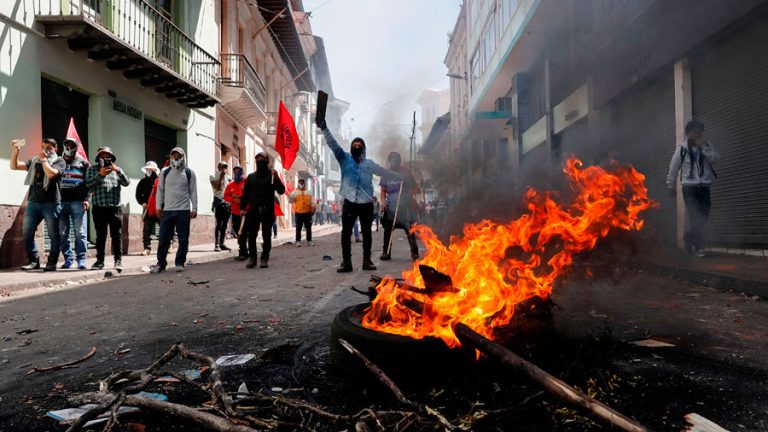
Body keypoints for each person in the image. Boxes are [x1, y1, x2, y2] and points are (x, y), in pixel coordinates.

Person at [315, 117, 402, 272]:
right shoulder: (344, 158)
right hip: (349, 202)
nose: (356, 147)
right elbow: (333, 144)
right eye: (354, 145)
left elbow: (382, 171)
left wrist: (397, 176)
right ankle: (346, 262)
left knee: (367, 234)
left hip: (366, 204)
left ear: (363, 148)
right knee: (346, 233)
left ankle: (367, 261)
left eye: (359, 145)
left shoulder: (369, 164)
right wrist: (324, 128)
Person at [666, 120, 720, 258]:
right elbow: (673, 167)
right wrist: (670, 184)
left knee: (704, 217)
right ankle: (699, 247)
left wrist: (705, 148)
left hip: (704, 187)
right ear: (688, 133)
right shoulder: (682, 148)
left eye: (699, 132)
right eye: (695, 132)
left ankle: (689, 238)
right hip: (690, 188)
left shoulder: (707, 145)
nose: (698, 134)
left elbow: (715, 159)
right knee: (696, 216)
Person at [10, 138, 66, 271]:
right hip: (34, 202)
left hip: (51, 203)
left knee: (53, 234)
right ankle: (33, 260)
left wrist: (44, 160)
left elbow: (51, 174)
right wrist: (15, 151)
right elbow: (14, 166)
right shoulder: (35, 160)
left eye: (49, 147)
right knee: (27, 232)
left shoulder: (60, 161)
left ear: (55, 148)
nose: (45, 150)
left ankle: (51, 263)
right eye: (43, 147)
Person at [152, 147, 198, 273]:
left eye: (178, 156)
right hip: (167, 211)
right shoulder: (164, 172)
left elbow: (193, 191)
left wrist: (194, 207)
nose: (176, 158)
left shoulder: (189, 173)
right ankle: (161, 264)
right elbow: (160, 190)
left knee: (183, 239)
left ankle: (179, 263)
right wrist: (158, 206)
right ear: (170, 158)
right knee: (163, 239)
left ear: (183, 157)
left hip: (183, 211)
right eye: (173, 156)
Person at [85, 147, 130, 271]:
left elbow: (127, 183)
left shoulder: (117, 170)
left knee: (117, 235)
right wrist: (100, 175)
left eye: (107, 155)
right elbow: (88, 185)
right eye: (102, 155)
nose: (105, 157)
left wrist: (118, 171)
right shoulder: (92, 169)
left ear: (112, 158)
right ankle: (100, 261)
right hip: (99, 208)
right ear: (98, 157)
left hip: (115, 208)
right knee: (101, 236)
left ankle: (118, 260)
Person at [240, 152, 285, 268]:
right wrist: (242, 208)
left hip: (267, 210)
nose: (260, 160)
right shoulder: (251, 177)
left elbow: (281, 191)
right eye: (257, 158)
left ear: (267, 161)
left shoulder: (272, 175)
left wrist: (276, 179)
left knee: (266, 235)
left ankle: (264, 258)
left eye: (262, 158)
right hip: (253, 210)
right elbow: (245, 194)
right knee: (251, 235)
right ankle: (252, 258)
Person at [380, 151, 420, 261]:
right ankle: (386, 252)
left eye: (396, 159)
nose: (394, 161)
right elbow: (383, 191)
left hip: (404, 207)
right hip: (390, 207)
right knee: (388, 230)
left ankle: (414, 252)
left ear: (399, 161)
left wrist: (406, 194)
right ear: (390, 161)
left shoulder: (405, 172)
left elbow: (414, 188)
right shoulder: (386, 173)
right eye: (392, 159)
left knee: (409, 229)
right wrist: (383, 203)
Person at [58, 137, 91, 270]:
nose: (69, 148)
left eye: (72, 145)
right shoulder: (57, 162)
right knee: (62, 233)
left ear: (76, 147)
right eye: (67, 145)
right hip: (60, 202)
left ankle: (81, 260)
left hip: (78, 202)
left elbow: (89, 183)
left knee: (80, 233)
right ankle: (68, 259)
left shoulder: (83, 163)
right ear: (64, 146)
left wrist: (87, 199)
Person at [224, 165, 248, 261]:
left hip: (245, 212)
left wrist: (243, 200)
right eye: (235, 171)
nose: (237, 172)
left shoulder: (247, 183)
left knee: (245, 232)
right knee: (238, 232)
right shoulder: (230, 185)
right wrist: (233, 199)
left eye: (239, 170)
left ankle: (244, 252)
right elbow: (225, 196)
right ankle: (243, 250)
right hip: (235, 212)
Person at [136, 161, 159, 256]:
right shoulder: (142, 182)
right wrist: (143, 203)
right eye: (148, 169)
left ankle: (168, 245)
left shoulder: (160, 181)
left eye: (152, 170)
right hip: (147, 209)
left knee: (165, 228)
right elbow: (138, 195)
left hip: (159, 209)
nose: (150, 171)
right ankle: (147, 248)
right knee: (147, 230)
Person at [210, 161, 231, 252]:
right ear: (218, 167)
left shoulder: (229, 178)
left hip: (227, 202)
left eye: (225, 167)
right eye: (222, 166)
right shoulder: (213, 176)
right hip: (218, 201)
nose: (224, 168)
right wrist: (221, 176)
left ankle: (222, 243)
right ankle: (217, 244)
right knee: (219, 224)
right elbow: (217, 186)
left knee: (225, 224)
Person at [288, 178, 316, 246]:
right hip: (298, 213)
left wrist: (313, 208)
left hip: (308, 212)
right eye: (300, 183)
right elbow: (290, 201)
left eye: (302, 183)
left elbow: (313, 202)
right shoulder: (294, 193)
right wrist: (290, 196)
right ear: (298, 184)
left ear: (305, 184)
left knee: (308, 227)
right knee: (298, 227)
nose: (301, 184)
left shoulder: (309, 192)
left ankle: (309, 240)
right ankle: (298, 241)